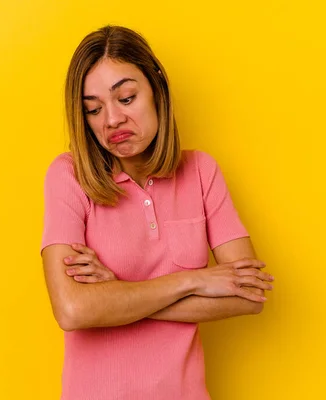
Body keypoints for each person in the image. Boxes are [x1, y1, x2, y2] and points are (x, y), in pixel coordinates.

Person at [40, 25, 274, 400]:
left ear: (157, 89)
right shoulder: (69, 177)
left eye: (127, 98)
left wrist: (116, 296)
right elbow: (72, 309)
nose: (111, 119)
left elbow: (249, 295)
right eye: (94, 109)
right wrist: (194, 281)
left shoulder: (201, 172)